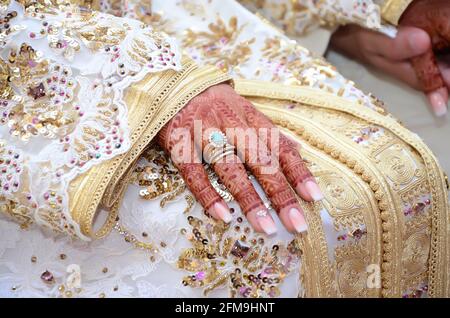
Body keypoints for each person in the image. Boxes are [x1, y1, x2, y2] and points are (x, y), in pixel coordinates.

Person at [0, 0, 448, 298]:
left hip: (188, 22)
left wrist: (388, 8)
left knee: (404, 173)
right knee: (248, 238)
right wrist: (150, 88)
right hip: (53, 63)